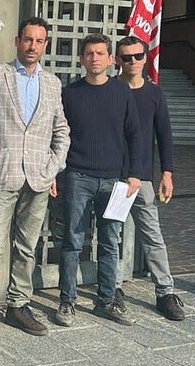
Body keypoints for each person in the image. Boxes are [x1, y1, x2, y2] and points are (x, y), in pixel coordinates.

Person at [0, 17, 70, 343]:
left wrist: (54, 166)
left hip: (38, 178)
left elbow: (61, 129)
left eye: (39, 41)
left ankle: (19, 304)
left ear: (45, 45)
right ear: (17, 41)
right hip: (2, 174)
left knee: (27, 247)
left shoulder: (52, 84)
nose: (33, 46)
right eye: (28, 39)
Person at [55, 33, 141, 327]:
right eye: (89, 53)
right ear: (82, 59)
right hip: (78, 176)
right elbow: (59, 135)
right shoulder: (70, 94)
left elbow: (134, 135)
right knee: (72, 241)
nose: (95, 58)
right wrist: (56, 172)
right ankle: (67, 301)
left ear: (111, 59)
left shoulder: (122, 93)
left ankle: (106, 300)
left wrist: (134, 174)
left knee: (109, 242)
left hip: (114, 181)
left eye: (100, 53)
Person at [113, 36, 185, 322]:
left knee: (153, 237)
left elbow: (164, 134)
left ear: (146, 58)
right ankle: (113, 287)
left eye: (138, 56)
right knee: (111, 235)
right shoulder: (110, 89)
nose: (132, 61)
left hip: (142, 177)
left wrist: (167, 173)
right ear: (117, 60)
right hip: (114, 176)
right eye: (126, 57)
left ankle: (165, 292)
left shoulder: (154, 93)